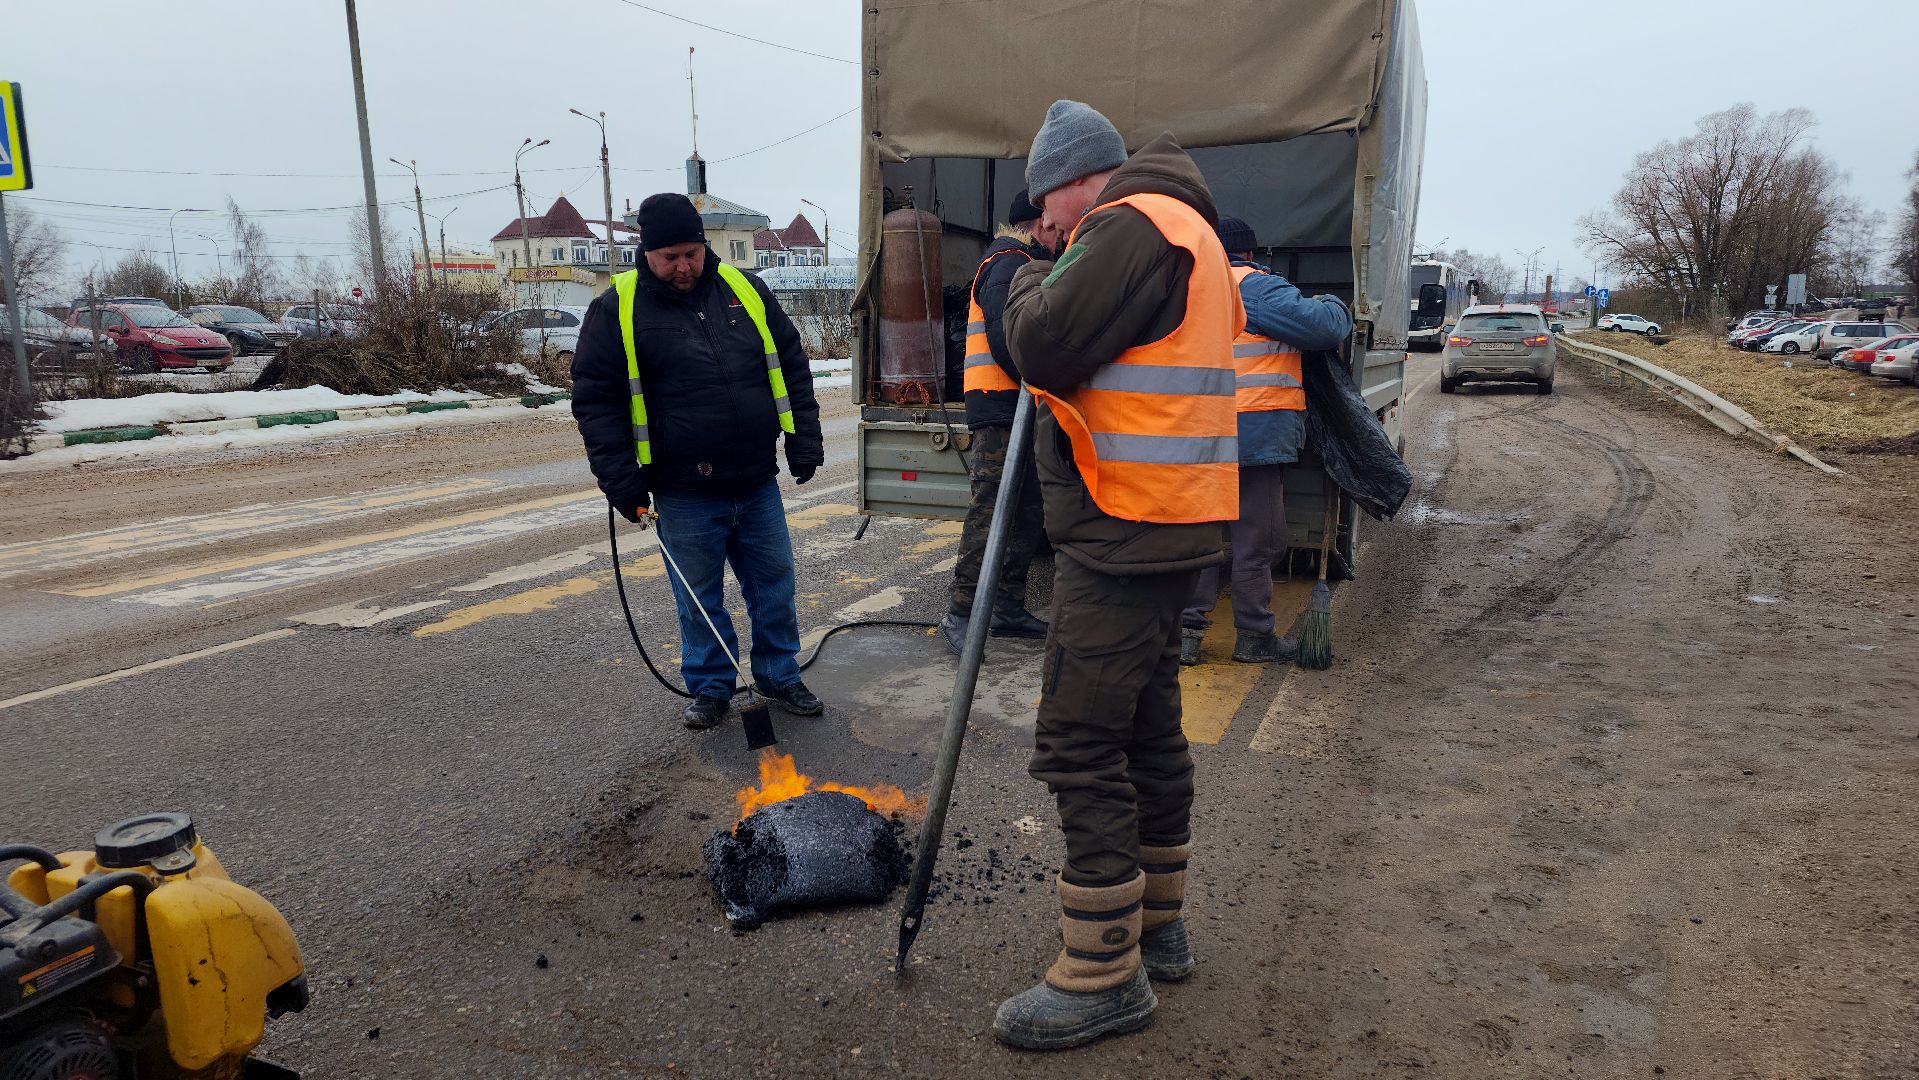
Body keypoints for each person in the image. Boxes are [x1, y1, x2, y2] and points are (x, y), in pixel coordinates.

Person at [993, 100, 1242, 1051]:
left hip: (1124, 526)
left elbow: (1044, 343)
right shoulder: (1187, 226)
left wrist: (1016, 280)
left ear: (1074, 177)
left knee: (1077, 743)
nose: (1045, 227)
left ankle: (1102, 973)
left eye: (1045, 209)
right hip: (1167, 521)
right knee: (1146, 730)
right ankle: (1158, 926)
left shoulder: (1128, 224)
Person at [570, 192, 826, 731]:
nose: (685, 266)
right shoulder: (617, 308)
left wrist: (804, 437)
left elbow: (791, 367)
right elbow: (597, 403)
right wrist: (621, 483)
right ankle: (711, 688)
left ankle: (780, 674)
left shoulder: (745, 290)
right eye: (671, 257)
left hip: (756, 480)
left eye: (693, 253)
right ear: (647, 252)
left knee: (774, 586)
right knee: (698, 599)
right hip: (682, 490)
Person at [1178, 217, 1352, 666]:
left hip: (1194, 434)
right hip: (1252, 435)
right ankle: (1254, 636)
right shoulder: (1254, 288)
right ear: (1251, 255)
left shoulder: (1183, 288)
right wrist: (1334, 301)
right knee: (1258, 542)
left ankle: (1185, 637)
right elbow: (1325, 328)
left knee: (1197, 539)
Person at [938, 189, 1060, 653]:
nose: (1058, 231)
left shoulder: (1023, 262)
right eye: (1051, 222)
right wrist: (1046, 373)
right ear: (1037, 224)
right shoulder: (1008, 264)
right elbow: (1009, 340)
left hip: (1021, 406)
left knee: (1026, 512)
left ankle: (1006, 606)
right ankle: (962, 612)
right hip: (1000, 408)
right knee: (990, 512)